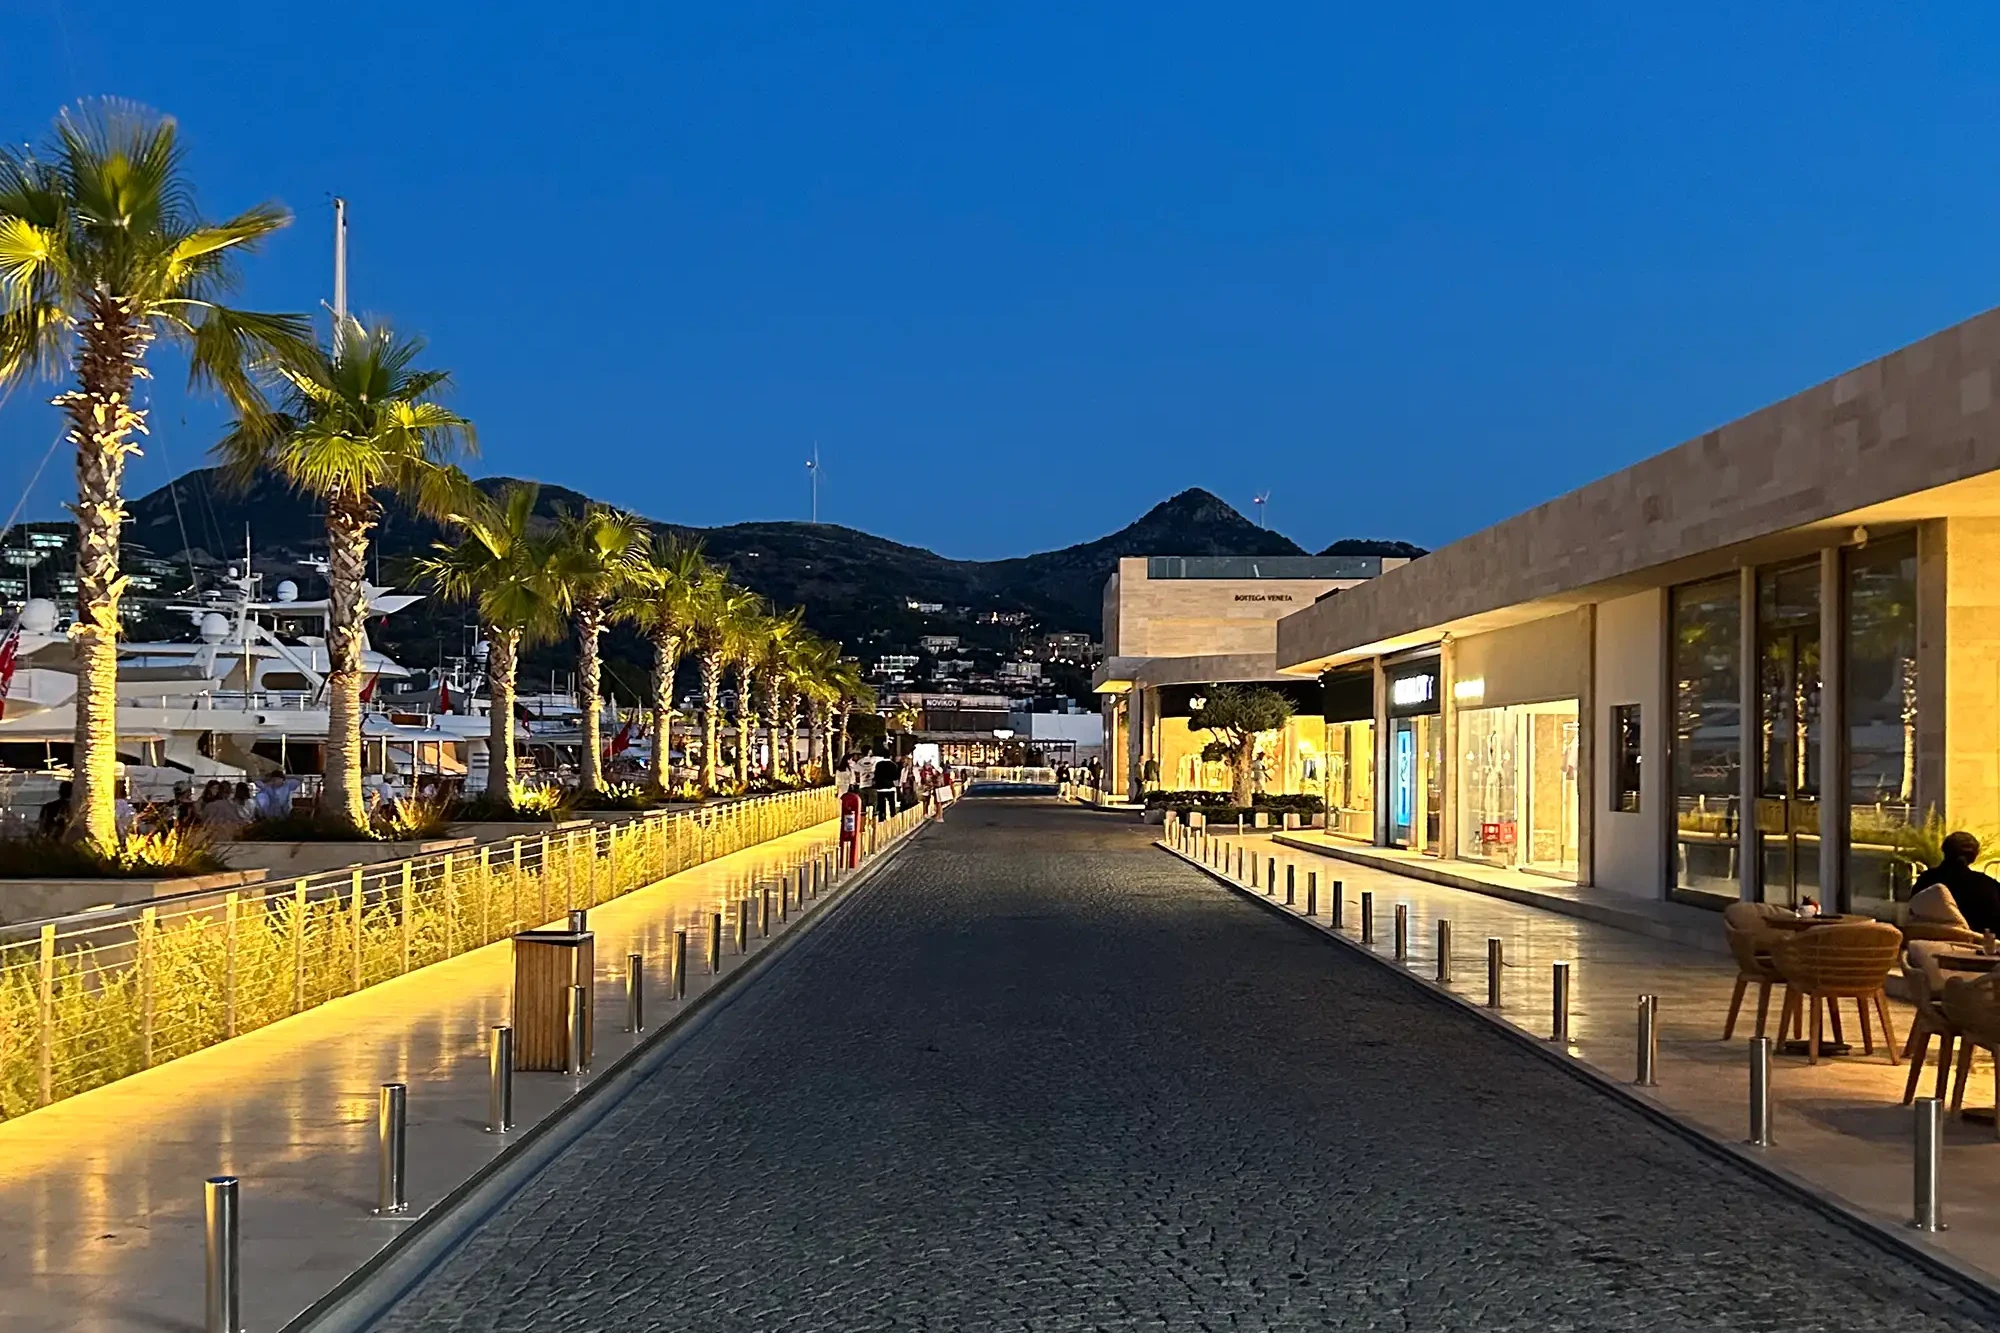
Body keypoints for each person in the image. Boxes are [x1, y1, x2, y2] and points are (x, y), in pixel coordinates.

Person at [1914, 831, 2000, 934]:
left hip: (1924, 945)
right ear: (1974, 856)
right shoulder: (1988, 885)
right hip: (1975, 946)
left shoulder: (1925, 880)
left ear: (1944, 851)